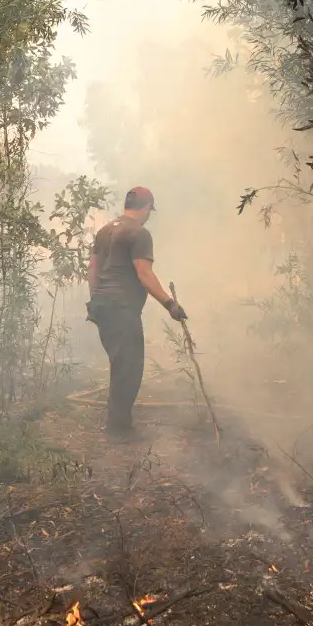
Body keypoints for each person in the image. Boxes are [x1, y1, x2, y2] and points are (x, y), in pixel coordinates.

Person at [86, 186, 188, 437]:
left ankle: (118, 422)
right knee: (129, 368)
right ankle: (118, 429)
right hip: (122, 308)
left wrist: (96, 298)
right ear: (146, 208)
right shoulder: (139, 233)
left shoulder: (105, 230)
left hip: (102, 304)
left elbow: (93, 268)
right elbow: (144, 273)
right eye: (150, 210)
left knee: (120, 364)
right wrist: (169, 304)